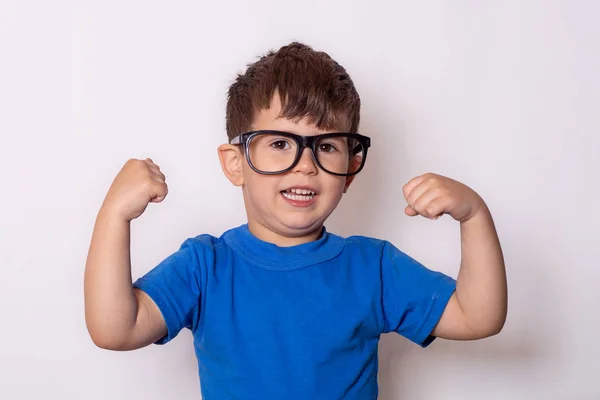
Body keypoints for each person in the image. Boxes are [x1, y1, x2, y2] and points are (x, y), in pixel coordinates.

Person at [84, 41, 507, 399]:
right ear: (236, 164)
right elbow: (115, 330)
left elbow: (478, 316)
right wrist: (114, 216)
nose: (305, 165)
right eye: (281, 143)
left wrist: (474, 216)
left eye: (326, 147)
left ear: (352, 167)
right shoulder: (204, 266)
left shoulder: (372, 268)